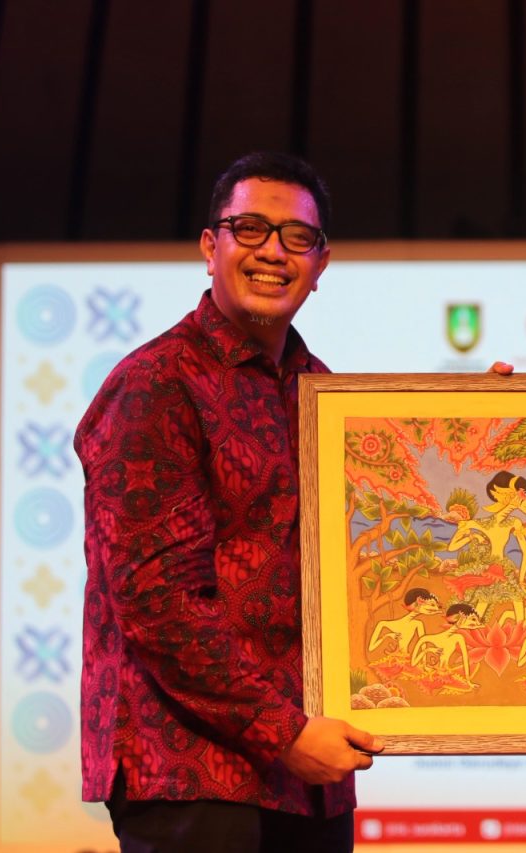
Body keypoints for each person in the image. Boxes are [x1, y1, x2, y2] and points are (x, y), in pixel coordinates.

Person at [75, 152, 383, 852]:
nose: (273, 251)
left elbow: (379, 547)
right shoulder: (156, 384)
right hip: (192, 772)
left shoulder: (322, 392)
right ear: (209, 246)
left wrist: (485, 423)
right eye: (250, 229)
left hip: (311, 775)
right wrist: (285, 733)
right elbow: (156, 600)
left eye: (297, 237)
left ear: (321, 263)